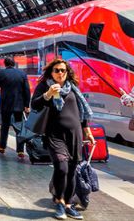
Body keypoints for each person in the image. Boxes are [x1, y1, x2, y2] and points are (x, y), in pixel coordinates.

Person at [31, 59, 93, 220]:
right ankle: (59, 202)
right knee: (62, 168)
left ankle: (68, 204)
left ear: (67, 72)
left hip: (75, 133)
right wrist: (48, 94)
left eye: (63, 70)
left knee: (72, 170)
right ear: (51, 72)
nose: (60, 73)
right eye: (57, 70)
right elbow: (34, 105)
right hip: (54, 134)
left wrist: (87, 130)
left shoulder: (72, 87)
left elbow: (80, 110)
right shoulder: (45, 86)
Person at [0, 56, 31, 157]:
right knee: (19, 127)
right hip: (19, 104)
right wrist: (27, 105)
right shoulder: (22, 74)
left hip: (6, 104)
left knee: (5, 126)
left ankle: (2, 147)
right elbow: (27, 90)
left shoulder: (0, 73)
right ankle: (20, 150)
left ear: (5, 64)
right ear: (14, 64)